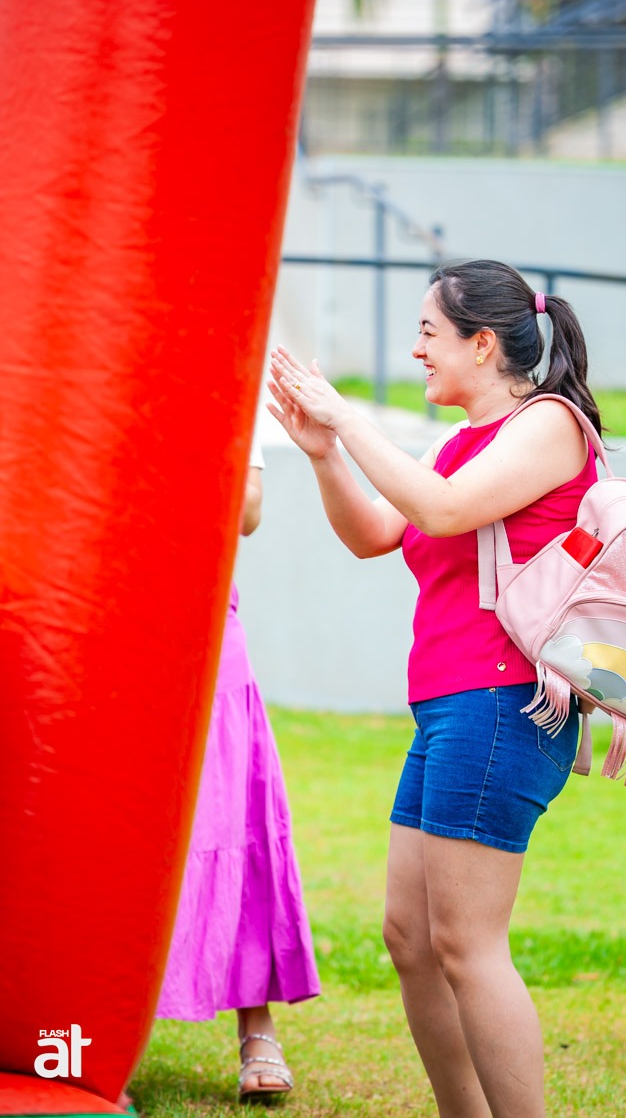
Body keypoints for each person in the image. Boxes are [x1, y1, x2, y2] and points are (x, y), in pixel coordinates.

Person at [267, 259, 603, 1118]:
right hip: (452, 706)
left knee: (465, 943)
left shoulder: (548, 425)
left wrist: (347, 415)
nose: (416, 350)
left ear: (482, 343)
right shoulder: (457, 444)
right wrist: (324, 451)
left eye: (428, 332)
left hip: (502, 704)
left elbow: (443, 512)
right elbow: (376, 532)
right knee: (412, 938)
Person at [156, 427, 319, 1104]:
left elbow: (247, 511)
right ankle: (79, 1031)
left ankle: (257, 1027)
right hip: (101, 617)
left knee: (233, 819)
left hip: (202, 620)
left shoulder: (224, 387)